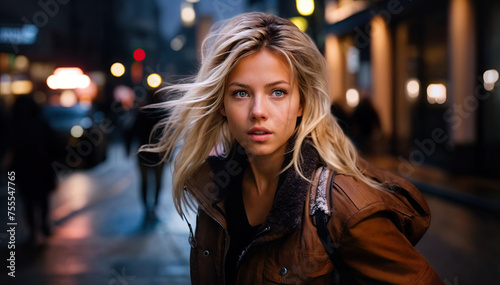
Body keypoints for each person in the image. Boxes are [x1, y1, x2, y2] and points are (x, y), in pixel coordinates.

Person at [142, 12, 443, 284]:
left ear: (302, 102)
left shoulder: (344, 208)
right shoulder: (213, 193)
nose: (258, 111)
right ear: (222, 104)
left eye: (277, 92)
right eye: (241, 93)